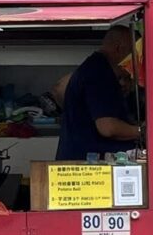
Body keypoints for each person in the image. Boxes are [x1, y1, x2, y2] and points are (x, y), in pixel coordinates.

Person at [56, 25, 143, 162]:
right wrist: (142, 132)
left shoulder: (95, 67)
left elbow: (60, 88)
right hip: (87, 165)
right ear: (119, 49)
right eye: (135, 54)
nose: (137, 61)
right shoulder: (100, 72)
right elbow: (108, 128)